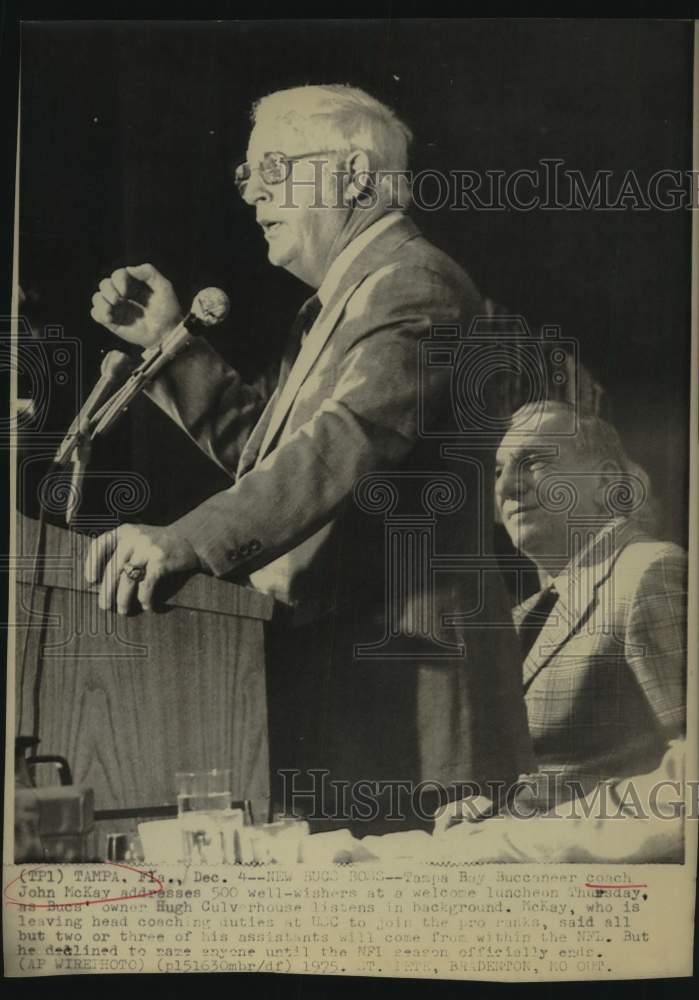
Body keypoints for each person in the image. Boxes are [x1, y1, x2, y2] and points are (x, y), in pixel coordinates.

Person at [86, 84, 532, 831]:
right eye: (248, 176)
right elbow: (276, 453)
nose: (255, 195)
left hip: (413, 709)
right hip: (355, 692)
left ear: (354, 175)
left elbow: (344, 445)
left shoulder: (413, 283)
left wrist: (184, 539)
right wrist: (169, 345)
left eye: (275, 169)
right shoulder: (342, 299)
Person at [496, 400, 686, 803]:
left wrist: (525, 839)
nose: (505, 487)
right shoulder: (523, 614)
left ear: (606, 483)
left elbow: (689, 777)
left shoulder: (650, 572)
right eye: (498, 470)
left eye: (532, 461)